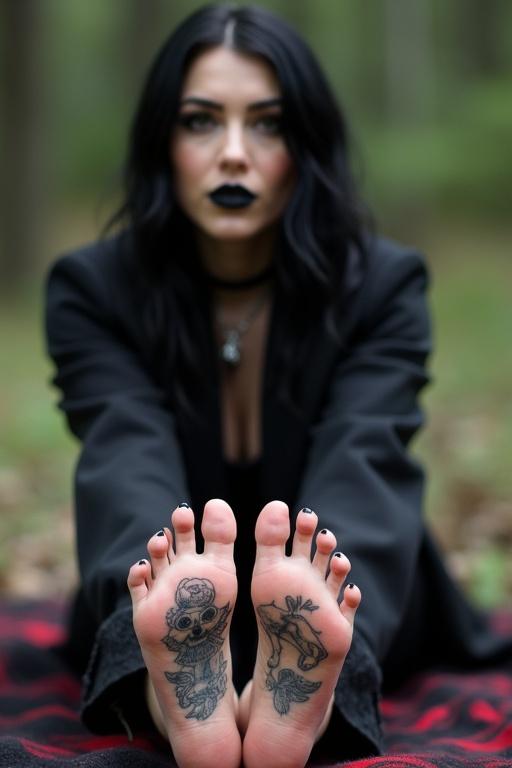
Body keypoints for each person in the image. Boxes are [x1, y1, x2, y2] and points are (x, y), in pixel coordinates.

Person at [44, 4, 512, 768]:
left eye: (267, 124)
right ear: (162, 141)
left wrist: (328, 621)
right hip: (179, 591)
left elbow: (364, 461)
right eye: (201, 122)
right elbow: (123, 458)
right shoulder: (94, 289)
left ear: (308, 145)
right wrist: (148, 615)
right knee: (152, 560)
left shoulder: (382, 286)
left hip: (343, 585)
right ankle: (179, 700)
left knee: (332, 569)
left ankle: (301, 701)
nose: (234, 153)